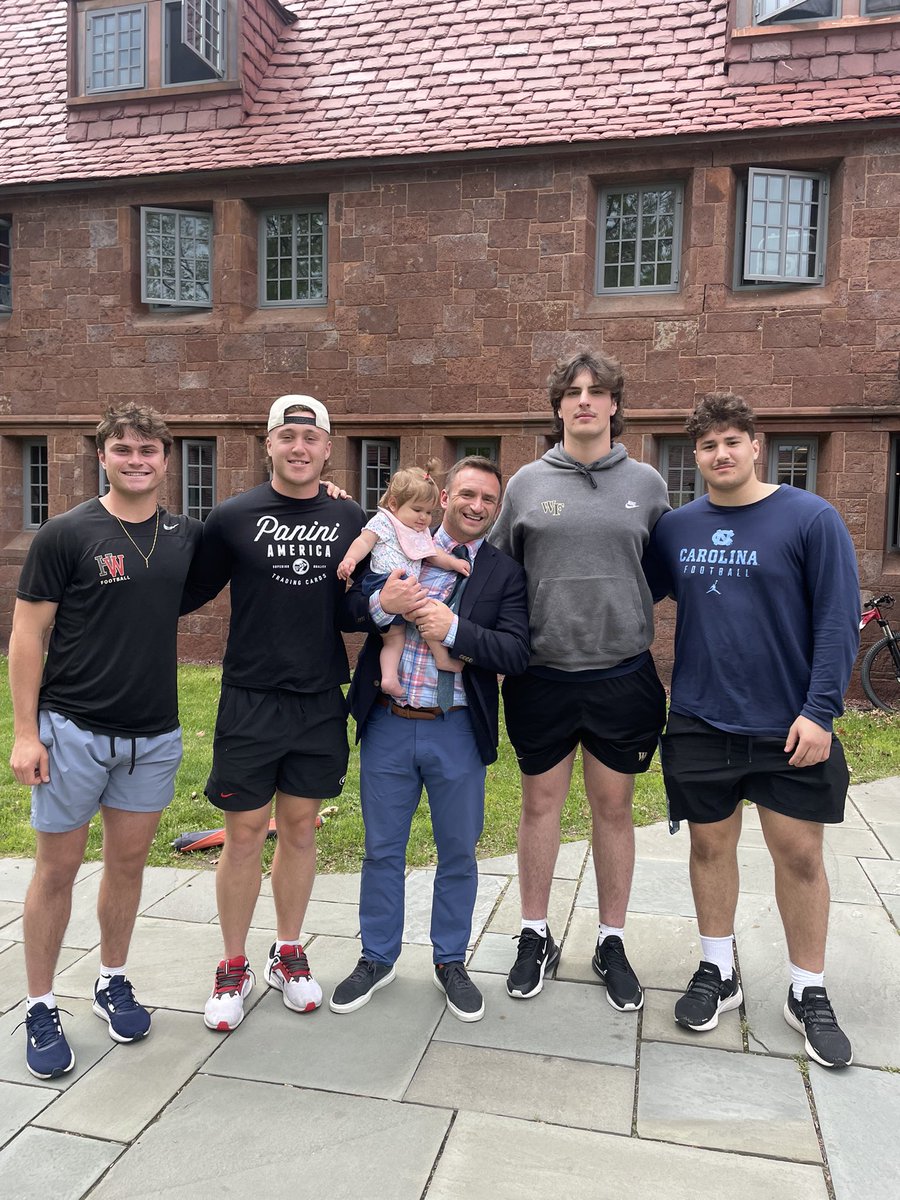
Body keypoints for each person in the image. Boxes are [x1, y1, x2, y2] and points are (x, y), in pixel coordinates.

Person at [647, 393, 860, 1069]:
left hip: (789, 723)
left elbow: (836, 618)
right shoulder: (676, 528)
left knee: (798, 854)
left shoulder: (810, 518)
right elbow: (627, 590)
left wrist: (821, 710)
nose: (721, 454)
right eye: (707, 446)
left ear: (757, 445)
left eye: (732, 441)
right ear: (696, 456)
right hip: (702, 716)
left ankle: (808, 988)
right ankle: (719, 970)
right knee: (710, 847)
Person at [9, 406, 202, 1079]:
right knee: (57, 870)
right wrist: (26, 733)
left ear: (167, 457)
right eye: (123, 449)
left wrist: (329, 500)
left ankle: (111, 979)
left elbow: (258, 544)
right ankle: (38, 1005)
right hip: (72, 733)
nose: (137, 459)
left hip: (152, 737)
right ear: (103, 455)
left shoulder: (185, 536)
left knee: (126, 866)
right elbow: (27, 635)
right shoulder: (67, 534)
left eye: (149, 449)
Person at [181, 395, 371, 1032]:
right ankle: (232, 964)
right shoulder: (233, 517)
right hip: (251, 697)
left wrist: (387, 602)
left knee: (300, 829)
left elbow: (353, 608)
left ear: (327, 447)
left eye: (310, 437)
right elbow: (189, 590)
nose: (299, 447)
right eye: (287, 435)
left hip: (319, 696)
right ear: (267, 444)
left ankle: (288, 951)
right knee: (242, 835)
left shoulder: (351, 517)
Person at [489, 350, 669, 1011]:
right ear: (558, 405)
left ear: (616, 405)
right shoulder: (526, 485)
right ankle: (535, 933)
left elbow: (664, 567)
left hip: (621, 673)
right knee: (539, 806)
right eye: (573, 392)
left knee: (614, 810)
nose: (585, 401)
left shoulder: (647, 484)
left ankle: (611, 941)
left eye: (598, 392)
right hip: (543, 675)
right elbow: (500, 575)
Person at [329, 456, 530, 1022]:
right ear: (445, 497)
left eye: (488, 500)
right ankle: (377, 956)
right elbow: (347, 608)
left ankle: (450, 960)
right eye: (467, 494)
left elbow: (516, 651)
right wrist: (379, 605)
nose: (476, 506)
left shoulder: (501, 572)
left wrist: (458, 631)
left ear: (496, 508)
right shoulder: (396, 534)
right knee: (382, 850)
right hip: (390, 722)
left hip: (457, 731)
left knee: (459, 852)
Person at [336, 461, 469, 698]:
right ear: (394, 504)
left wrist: (453, 562)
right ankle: (442, 659)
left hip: (405, 586)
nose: (424, 518)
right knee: (427, 610)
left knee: (394, 638)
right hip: (382, 582)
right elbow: (363, 542)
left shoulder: (419, 532)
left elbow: (432, 554)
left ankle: (388, 678)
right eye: (417, 510)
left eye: (429, 512)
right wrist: (349, 560)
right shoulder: (385, 522)